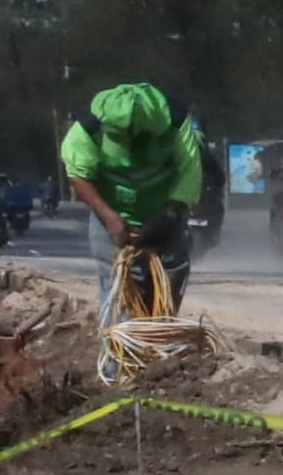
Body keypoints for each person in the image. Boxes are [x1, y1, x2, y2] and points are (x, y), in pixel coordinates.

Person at [60, 82, 206, 309]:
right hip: (111, 215)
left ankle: (158, 336)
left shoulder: (175, 121)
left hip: (162, 212)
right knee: (119, 288)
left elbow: (191, 172)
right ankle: (120, 341)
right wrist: (109, 217)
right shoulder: (87, 128)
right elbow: (78, 175)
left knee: (171, 275)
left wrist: (168, 214)